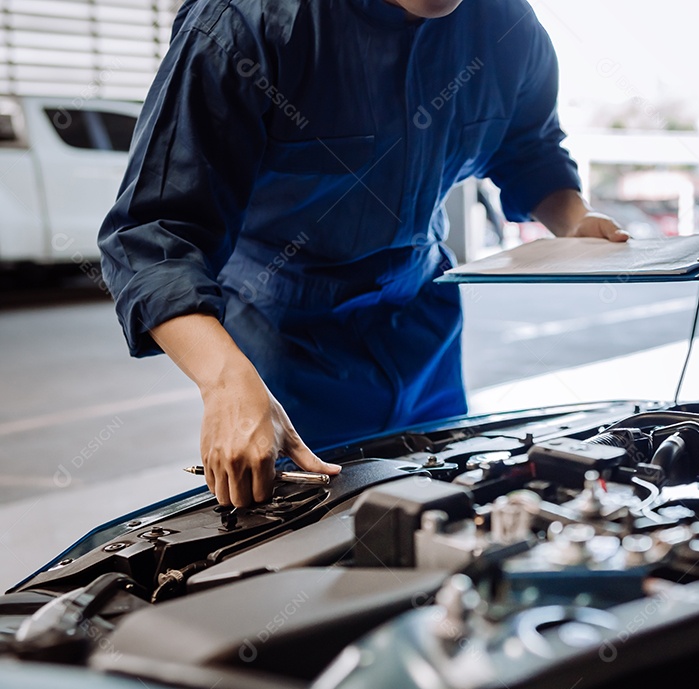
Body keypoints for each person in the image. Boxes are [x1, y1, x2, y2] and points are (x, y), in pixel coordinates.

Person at [97, 0, 628, 508]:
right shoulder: (242, 23)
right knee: (309, 553)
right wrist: (224, 380)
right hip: (284, 344)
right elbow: (154, 233)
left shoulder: (507, 26)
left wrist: (574, 220)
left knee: (443, 521)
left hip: (423, 331)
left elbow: (529, 148)